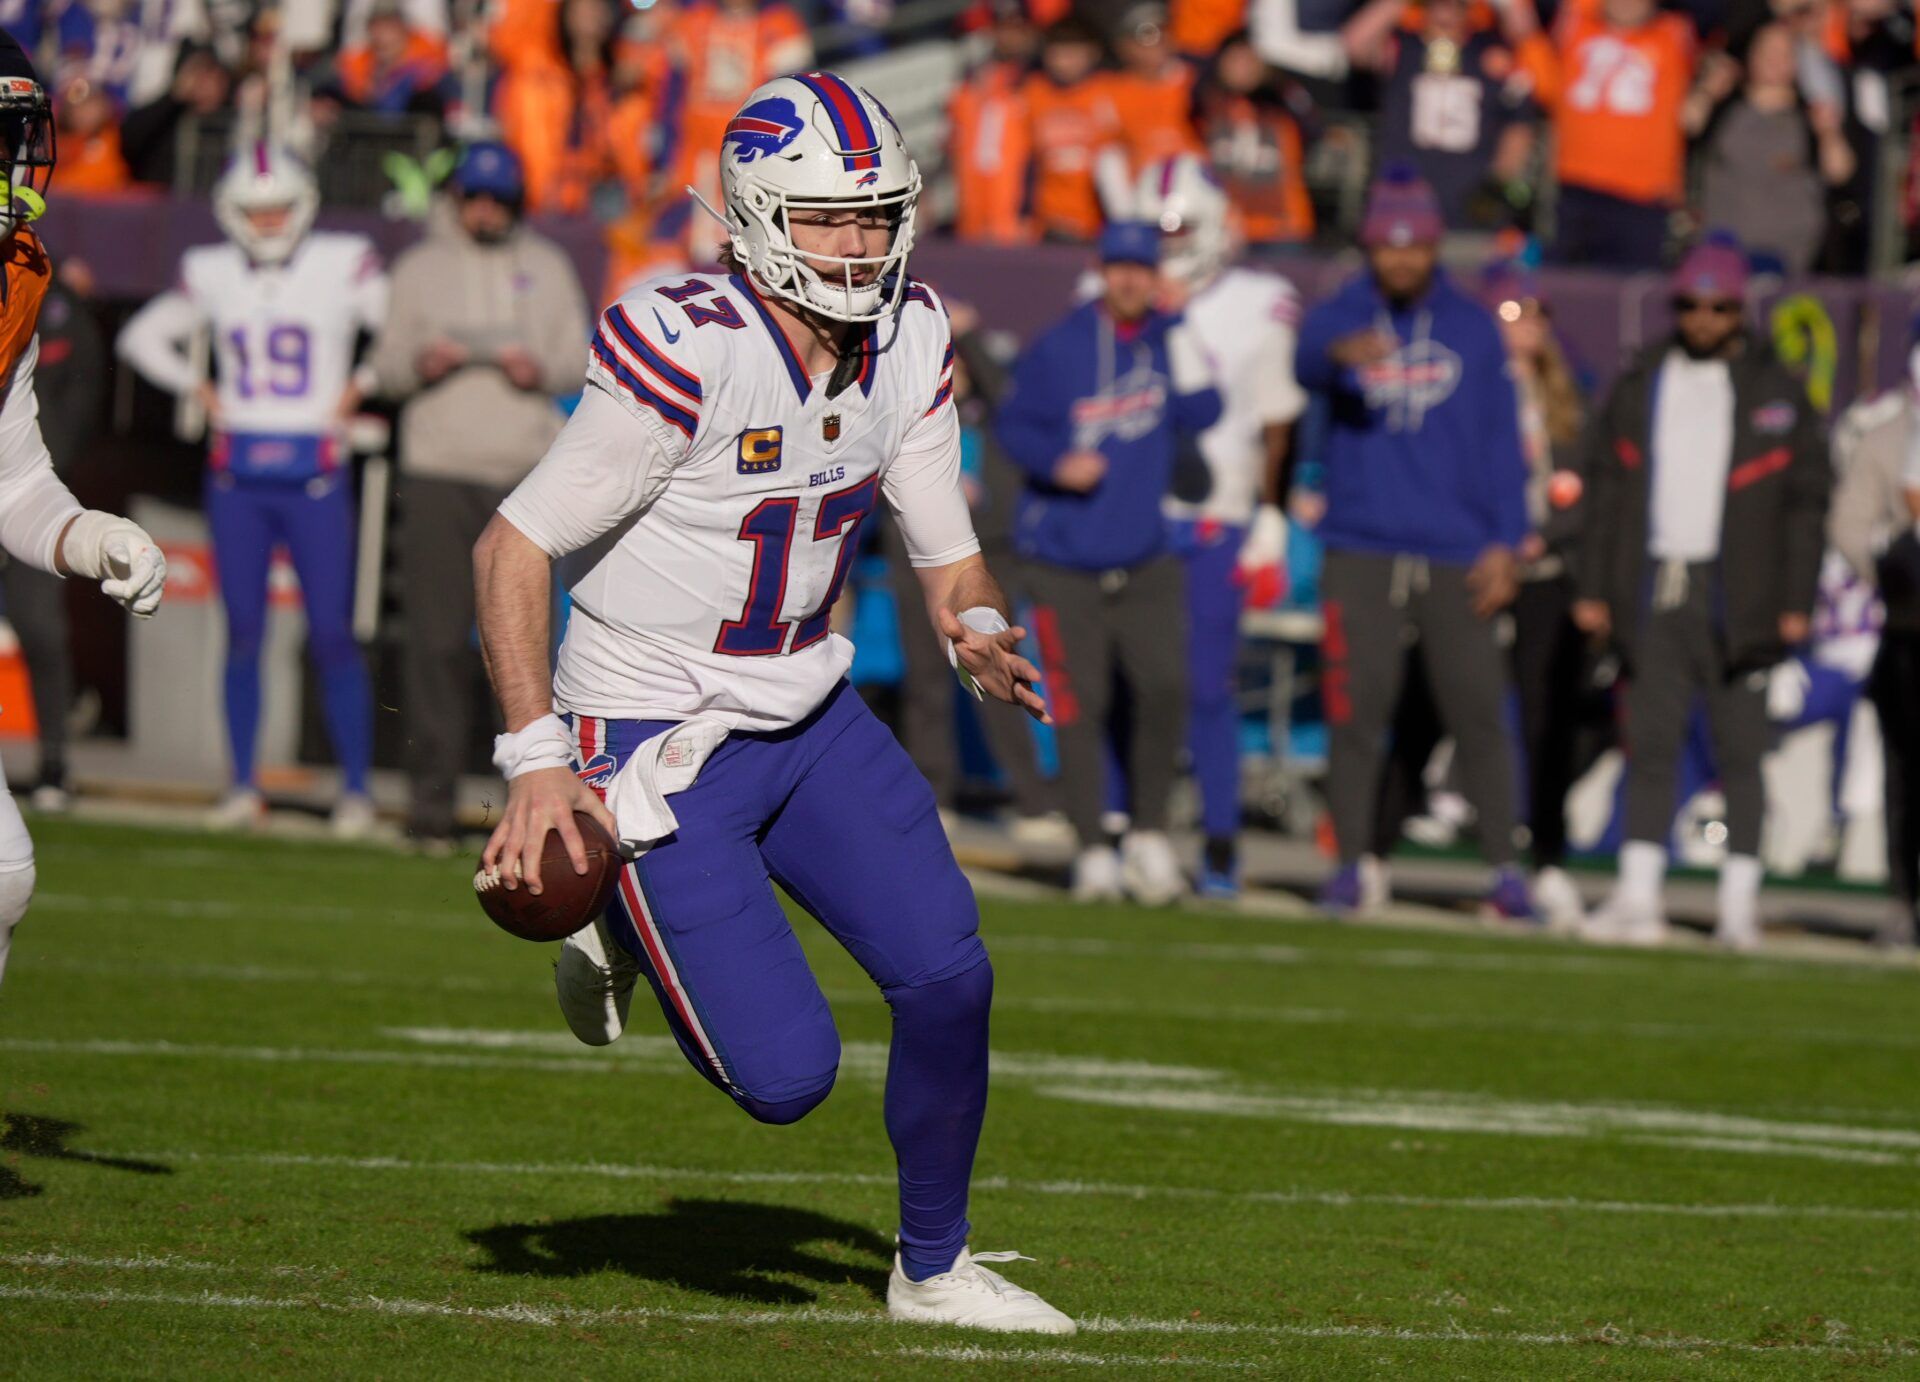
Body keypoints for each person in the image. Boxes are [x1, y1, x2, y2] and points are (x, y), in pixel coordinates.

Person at [472, 71, 1073, 1333]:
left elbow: (945, 548)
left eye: (876, 216)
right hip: (650, 737)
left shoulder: (909, 333)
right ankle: (618, 917)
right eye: (826, 219)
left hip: (803, 707)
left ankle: (932, 1266)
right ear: (752, 216)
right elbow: (511, 546)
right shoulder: (689, 343)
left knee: (951, 976)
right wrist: (538, 759)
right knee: (789, 1080)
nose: (858, 246)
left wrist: (971, 624)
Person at [118, 143, 385, 836]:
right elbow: (142, 339)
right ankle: (243, 783)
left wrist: (361, 386)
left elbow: (399, 333)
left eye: (278, 209)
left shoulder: (341, 261)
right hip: (238, 472)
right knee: (243, 632)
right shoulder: (212, 271)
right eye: (255, 211)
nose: (268, 223)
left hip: (316, 471)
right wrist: (195, 386)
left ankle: (354, 790)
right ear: (233, 214)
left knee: (330, 633)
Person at [1293, 166, 1534, 920]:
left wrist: (1508, 541)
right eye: (1386, 247)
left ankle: (1505, 868)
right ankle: (1353, 862)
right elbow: (1305, 362)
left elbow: (1501, 444)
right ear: (1369, 247)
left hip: (1456, 548)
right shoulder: (1343, 315)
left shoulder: (1468, 327)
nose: (1399, 259)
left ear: (1434, 248)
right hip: (1361, 545)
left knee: (1478, 713)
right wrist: (1337, 354)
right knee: (1356, 715)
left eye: (1413, 247)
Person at [1576, 235, 1830, 949]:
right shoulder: (1643, 380)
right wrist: (1595, 587)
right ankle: (1635, 896)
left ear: (1739, 309)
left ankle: (1739, 904)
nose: (1703, 320)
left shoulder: (1776, 391)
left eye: (1718, 307)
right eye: (1690, 305)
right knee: (1650, 743)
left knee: (1740, 750)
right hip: (1657, 583)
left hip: (1739, 593)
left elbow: (1806, 505)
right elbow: (1605, 491)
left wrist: (1794, 602)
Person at [0, 31, 169, 992]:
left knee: (4, 874)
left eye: (14, 139)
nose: (14, 165)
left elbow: (11, 476)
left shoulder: (16, 274)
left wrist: (92, 534)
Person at [368, 140, 589, 851]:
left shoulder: (548, 267)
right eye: (475, 196)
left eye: (500, 198)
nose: (486, 210)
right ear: (456, 198)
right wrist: (420, 361)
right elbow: (385, 370)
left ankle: (533, 803)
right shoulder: (419, 268)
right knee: (433, 644)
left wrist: (538, 368)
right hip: (438, 467)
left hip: (523, 477)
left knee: (525, 650)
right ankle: (430, 806)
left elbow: (580, 363)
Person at [997, 221, 1222, 904]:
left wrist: (1180, 329)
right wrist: (1056, 463)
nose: (1131, 279)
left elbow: (1207, 409)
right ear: (1102, 270)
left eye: (1142, 268)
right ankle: (1093, 846)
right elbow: (1013, 425)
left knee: (1164, 691)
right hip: (1068, 559)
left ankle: (1150, 835)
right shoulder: (1063, 344)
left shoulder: (1166, 341)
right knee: (1080, 705)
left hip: (1146, 557)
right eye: (1119, 267)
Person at [1133, 153, 1305, 896]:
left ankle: (1221, 837)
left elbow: (1277, 420)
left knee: (1207, 686)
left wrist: (1272, 516)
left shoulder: (1261, 299)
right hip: (1132, 515)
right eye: (1156, 229)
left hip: (1216, 515)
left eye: (1179, 228)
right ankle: (1126, 830)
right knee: (1133, 682)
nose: (1168, 243)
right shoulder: (1115, 286)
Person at [1825, 339, 1920, 949]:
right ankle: (1902, 896)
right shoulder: (1888, 439)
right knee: (1906, 773)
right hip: (1911, 629)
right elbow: (1850, 524)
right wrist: (1892, 555)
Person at [10, 258, 107, 811]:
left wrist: (42, 473)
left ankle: (53, 761)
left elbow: (82, 396)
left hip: (26, 485)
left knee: (41, 628)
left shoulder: (51, 297)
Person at [1348, 0, 1545, 230]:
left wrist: (1498, 184)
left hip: (1469, 200)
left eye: (1455, 5)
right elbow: (1354, 45)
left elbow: (1518, 124)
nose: (1446, 13)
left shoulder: (1492, 54)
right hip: (1403, 198)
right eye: (1437, 4)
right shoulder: (1403, 48)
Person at [1533, 0, 1696, 269]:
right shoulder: (1576, 25)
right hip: (1577, 186)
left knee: (1633, 293)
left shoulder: (1674, 34)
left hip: (1642, 195)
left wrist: (1704, 94)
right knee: (1565, 287)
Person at [1687, 23, 1854, 274]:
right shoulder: (1725, 106)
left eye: (1784, 53)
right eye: (1767, 51)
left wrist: (1830, 133)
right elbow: (1687, 123)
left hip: (1785, 255)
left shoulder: (1811, 115)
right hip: (1722, 249)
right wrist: (1707, 91)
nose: (1774, 60)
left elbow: (1840, 172)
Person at [1189, 29, 1316, 248]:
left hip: (1282, 229)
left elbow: (1313, 129)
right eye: (1234, 60)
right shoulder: (1206, 105)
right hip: (1222, 228)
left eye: (1249, 60)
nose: (1242, 68)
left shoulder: (1282, 106)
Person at [1022, 17, 1124, 241]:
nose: (1063, 62)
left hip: (1099, 224)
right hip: (1047, 223)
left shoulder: (1112, 91)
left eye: (1073, 53)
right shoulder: (1033, 92)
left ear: (1093, 53)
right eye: (1056, 53)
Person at [946, 0, 1038, 244]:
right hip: (971, 216)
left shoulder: (1040, 81)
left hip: (1019, 218)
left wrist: (1029, 210)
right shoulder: (971, 80)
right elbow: (954, 144)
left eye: (1017, 28)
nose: (1009, 36)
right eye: (1002, 27)